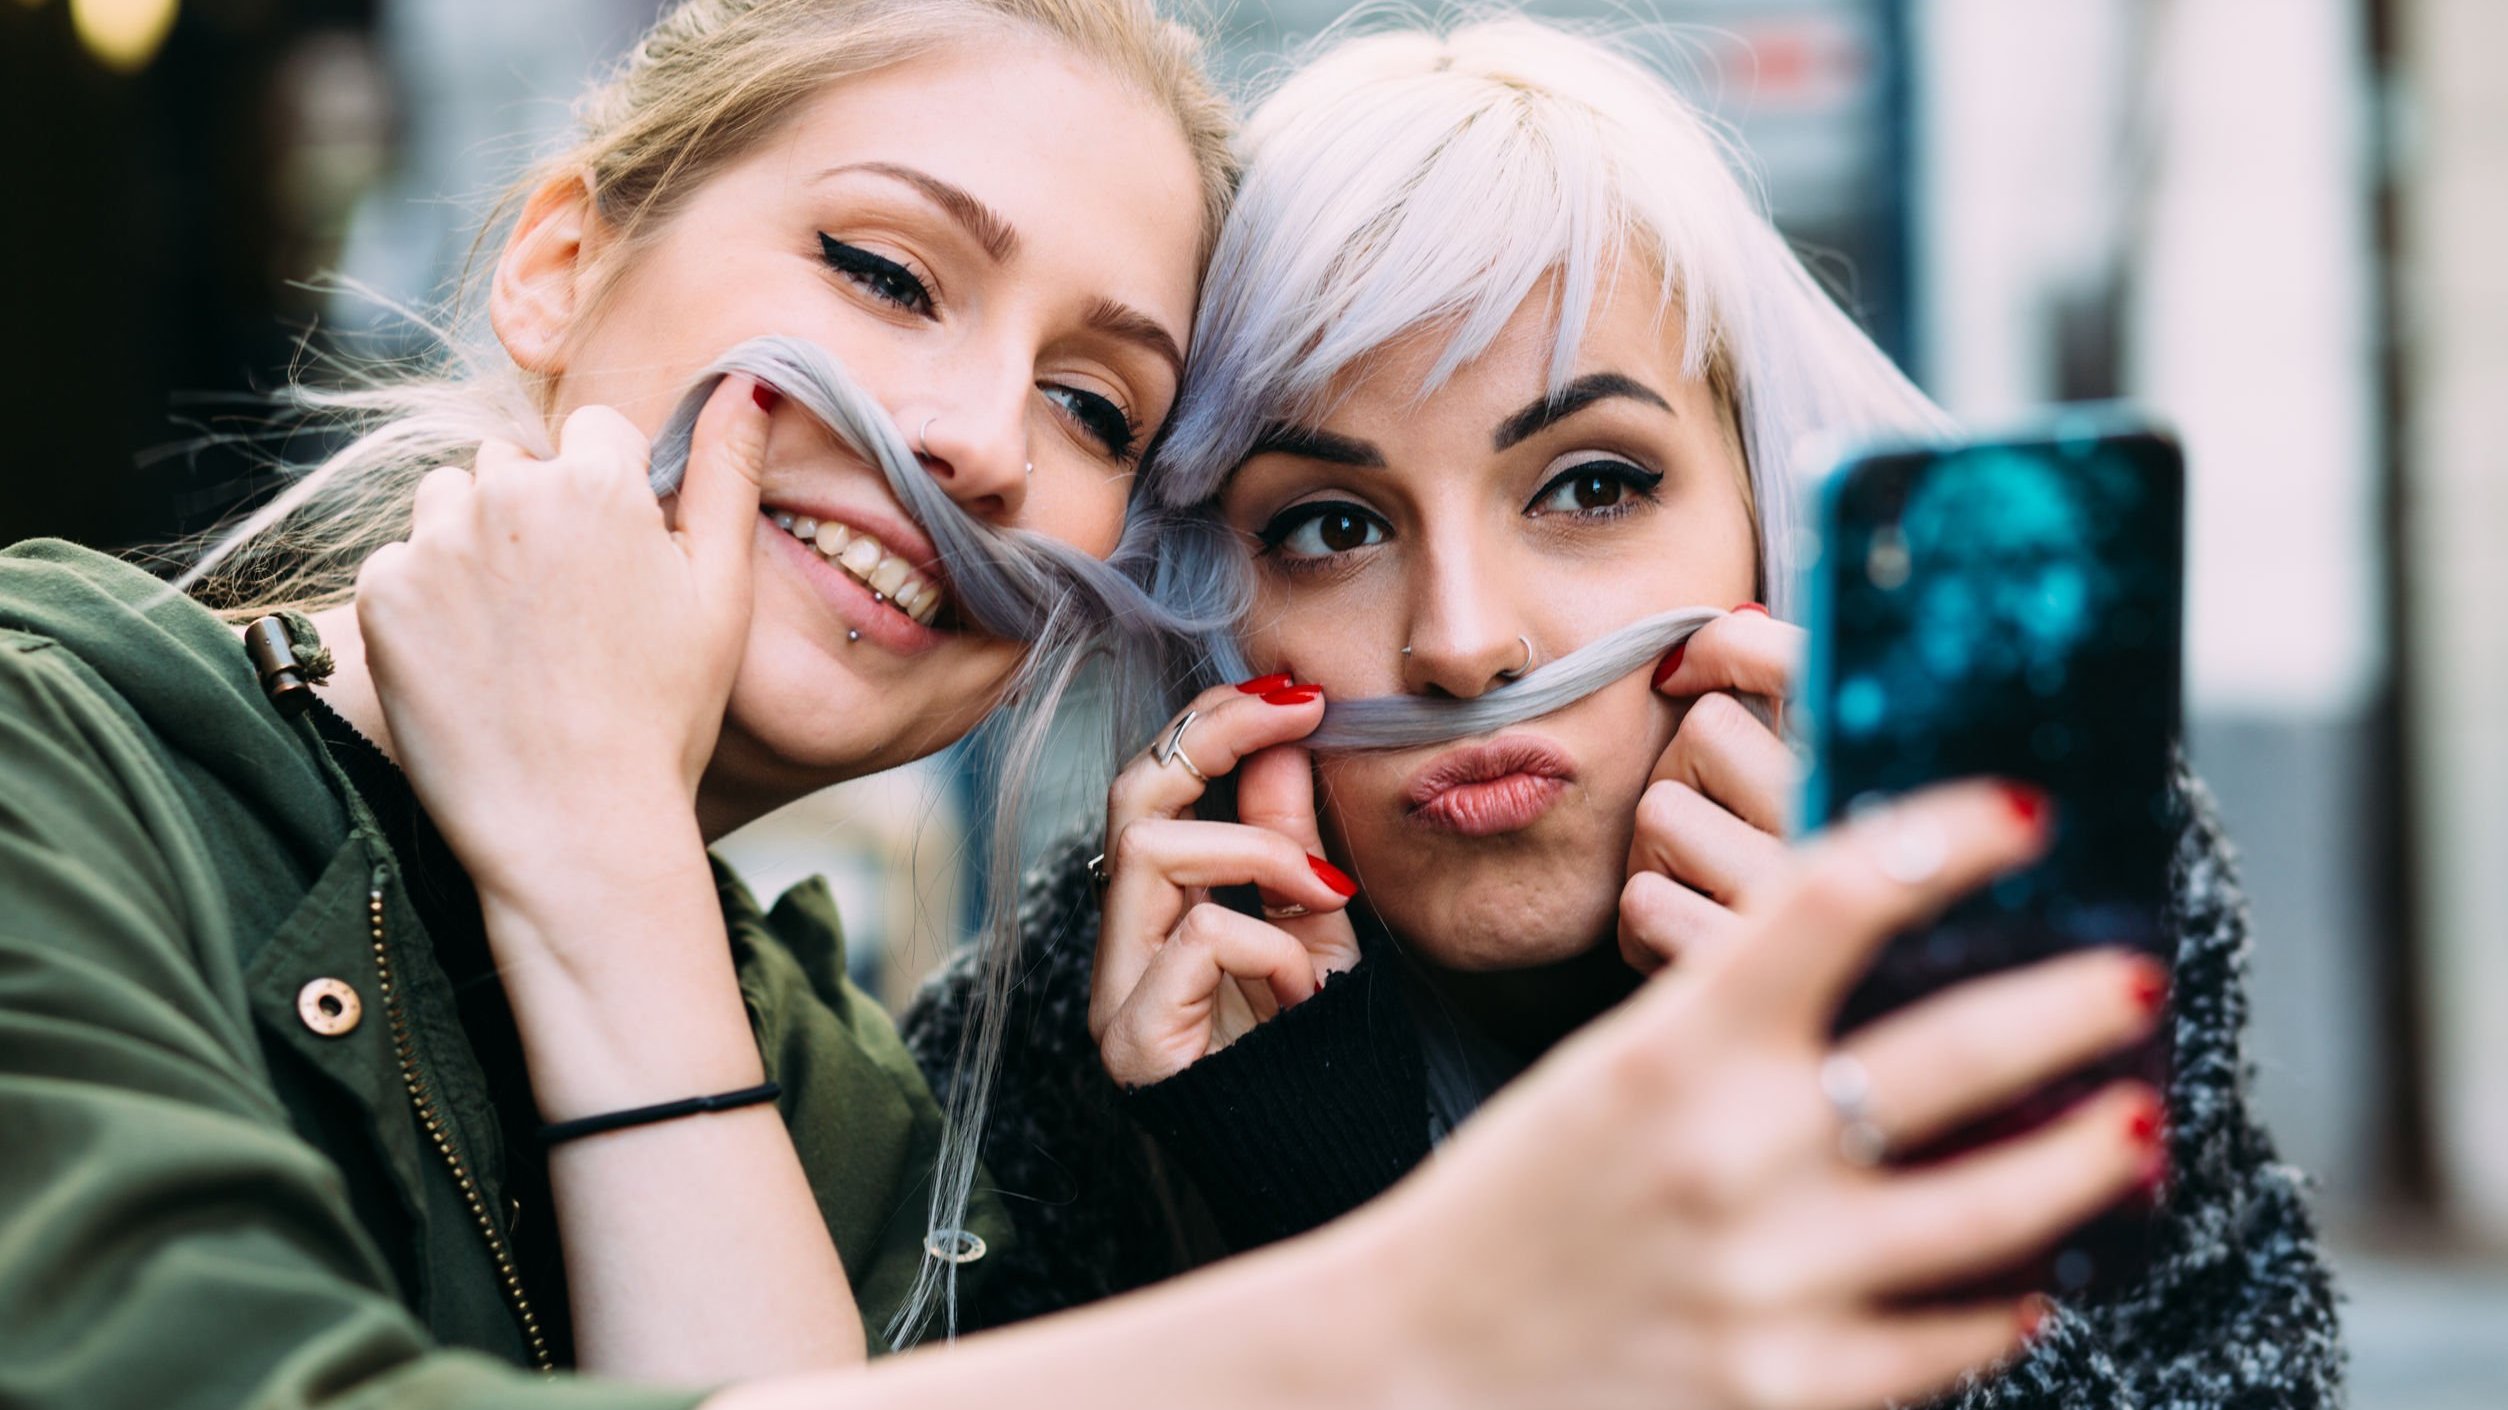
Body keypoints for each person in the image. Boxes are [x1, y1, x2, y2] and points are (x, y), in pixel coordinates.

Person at [0, 2, 2133, 1408]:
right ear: (556, 261)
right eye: (886, 271)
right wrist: (1438, 1304)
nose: (984, 443)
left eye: (1095, 400)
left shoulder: (870, 1113)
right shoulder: (55, 738)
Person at [905, 15, 2347, 1409]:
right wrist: (1344, 1250)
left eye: (1593, 485)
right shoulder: (1059, 1050)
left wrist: (1879, 1189)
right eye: (1331, 525)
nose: (1464, 644)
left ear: (1765, 517)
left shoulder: (2030, 897)